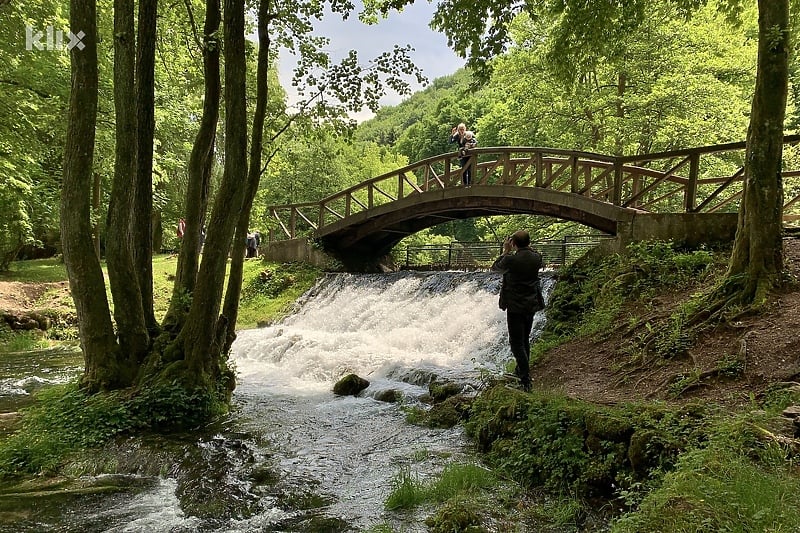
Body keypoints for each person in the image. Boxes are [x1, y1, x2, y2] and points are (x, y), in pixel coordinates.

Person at [491, 229, 545, 391]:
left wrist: (505, 251)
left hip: (515, 305)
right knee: (525, 339)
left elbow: (495, 268)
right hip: (531, 304)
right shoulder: (537, 257)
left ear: (513, 243)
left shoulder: (510, 260)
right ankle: (521, 370)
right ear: (529, 243)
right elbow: (534, 256)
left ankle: (525, 378)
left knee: (516, 343)